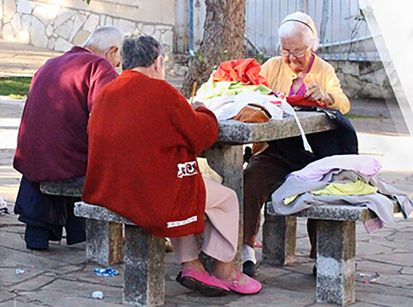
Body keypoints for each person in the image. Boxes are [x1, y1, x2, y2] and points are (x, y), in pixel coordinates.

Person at [82, 35, 262, 296]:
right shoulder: (162, 92)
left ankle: (192, 264)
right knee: (225, 199)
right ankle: (226, 270)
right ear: (158, 62)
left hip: (108, 188)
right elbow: (202, 135)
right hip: (146, 194)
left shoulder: (106, 92)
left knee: (181, 183)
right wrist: (203, 110)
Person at [243, 11, 357, 277]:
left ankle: (323, 255)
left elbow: (344, 103)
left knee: (324, 186)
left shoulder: (323, 69)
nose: (292, 58)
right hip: (277, 149)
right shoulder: (272, 66)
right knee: (251, 177)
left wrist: (327, 96)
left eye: (298, 51)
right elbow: (252, 94)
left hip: (314, 153)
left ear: (312, 46)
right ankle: (246, 247)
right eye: (286, 51)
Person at [13, 26, 123, 251]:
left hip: (32, 161)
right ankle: (89, 237)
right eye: (119, 61)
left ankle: (46, 232)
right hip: (66, 163)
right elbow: (112, 116)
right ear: (112, 52)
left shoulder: (51, 64)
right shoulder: (98, 66)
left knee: (71, 151)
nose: (118, 67)